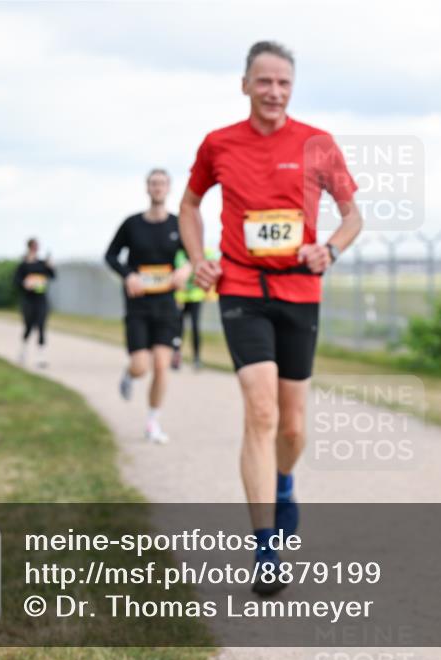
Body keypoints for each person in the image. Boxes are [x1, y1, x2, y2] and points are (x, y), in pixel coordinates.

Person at [179, 41, 363, 596]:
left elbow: (352, 215)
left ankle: (283, 483)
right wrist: (198, 259)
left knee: (292, 426)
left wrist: (329, 249)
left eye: (283, 83)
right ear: (245, 85)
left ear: (292, 88)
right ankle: (265, 548)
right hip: (240, 286)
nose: (274, 92)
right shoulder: (218, 143)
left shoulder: (316, 143)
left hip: (299, 290)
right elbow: (190, 205)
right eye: (264, 81)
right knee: (260, 411)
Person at [106, 169, 191, 445]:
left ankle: (153, 422)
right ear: (147, 188)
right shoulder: (132, 224)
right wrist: (128, 275)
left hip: (167, 304)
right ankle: (130, 375)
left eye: (162, 183)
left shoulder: (178, 224)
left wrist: (185, 269)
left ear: (168, 188)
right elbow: (111, 255)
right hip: (138, 305)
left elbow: (195, 255)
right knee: (141, 366)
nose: (157, 188)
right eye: (153, 183)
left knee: (162, 366)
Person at [172, 247, 219, 371]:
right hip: (181, 297)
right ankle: (176, 355)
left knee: (195, 327)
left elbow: (215, 261)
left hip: (196, 297)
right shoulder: (179, 254)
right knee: (178, 328)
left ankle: (196, 358)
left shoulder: (205, 253)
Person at [13, 238, 56, 368]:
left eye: (37, 246)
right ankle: (23, 352)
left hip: (41, 299)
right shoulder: (23, 265)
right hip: (28, 300)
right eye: (34, 246)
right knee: (28, 327)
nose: (36, 248)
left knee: (41, 327)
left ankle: (40, 358)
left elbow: (52, 276)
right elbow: (16, 281)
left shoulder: (42, 263)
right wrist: (25, 284)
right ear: (29, 247)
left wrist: (50, 266)